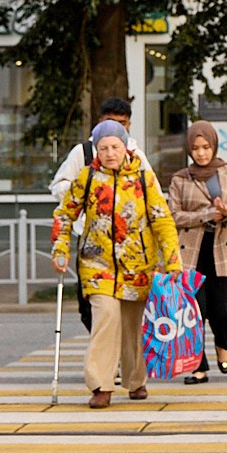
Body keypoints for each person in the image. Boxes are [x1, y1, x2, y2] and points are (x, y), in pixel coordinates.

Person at [52, 119, 182, 408]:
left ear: (125, 147)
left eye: (114, 147)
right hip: (97, 265)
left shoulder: (144, 179)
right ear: (96, 150)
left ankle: (135, 380)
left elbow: (162, 221)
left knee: (132, 325)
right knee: (106, 319)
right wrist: (60, 248)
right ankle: (101, 384)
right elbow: (65, 214)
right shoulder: (87, 178)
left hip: (138, 265)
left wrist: (173, 261)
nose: (110, 153)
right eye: (104, 148)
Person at [49, 97, 141, 332]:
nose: (114, 128)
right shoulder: (84, 152)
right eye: (110, 121)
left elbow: (153, 200)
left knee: (125, 305)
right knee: (89, 305)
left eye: (121, 123)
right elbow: (59, 188)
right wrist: (85, 193)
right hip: (92, 241)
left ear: (129, 125)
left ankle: (115, 349)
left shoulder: (135, 154)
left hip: (128, 242)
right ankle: (104, 343)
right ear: (100, 121)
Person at [167, 120, 227, 383]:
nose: (201, 153)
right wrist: (207, 214)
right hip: (191, 252)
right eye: (196, 148)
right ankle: (198, 366)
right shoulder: (180, 178)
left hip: (221, 250)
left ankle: (222, 343)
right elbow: (174, 215)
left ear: (214, 146)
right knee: (195, 312)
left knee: (222, 311)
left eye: (206, 147)